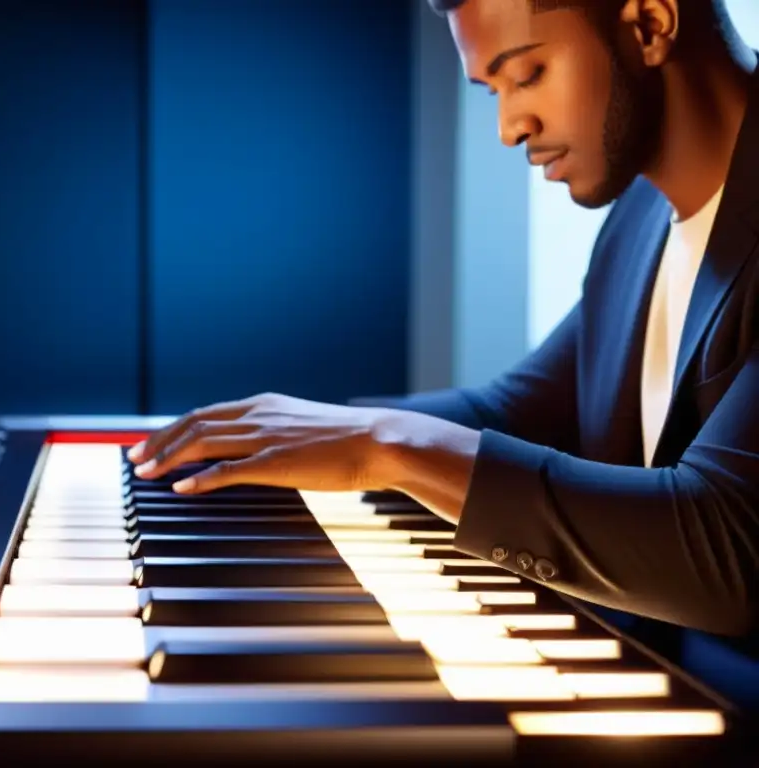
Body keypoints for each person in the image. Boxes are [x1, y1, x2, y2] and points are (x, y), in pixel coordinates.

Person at [127, 0, 759, 705]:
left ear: (648, 23)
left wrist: (388, 446)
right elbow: (513, 413)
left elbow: (728, 544)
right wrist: (293, 438)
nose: (510, 127)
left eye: (527, 75)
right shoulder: (640, 221)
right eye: (493, 93)